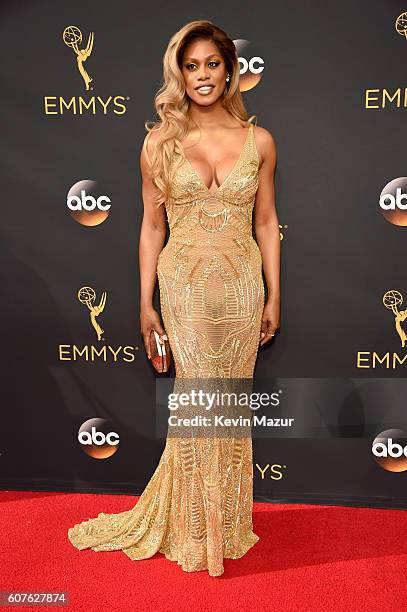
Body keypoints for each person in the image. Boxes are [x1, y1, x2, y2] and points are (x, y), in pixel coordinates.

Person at [67, 19, 280, 577]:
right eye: (192, 66)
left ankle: (225, 524)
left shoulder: (260, 141)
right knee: (197, 403)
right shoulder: (160, 142)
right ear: (178, 74)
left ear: (230, 69)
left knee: (229, 407)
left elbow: (266, 221)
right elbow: (150, 229)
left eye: (213, 63)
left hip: (241, 287)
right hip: (183, 284)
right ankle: (193, 528)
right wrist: (145, 305)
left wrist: (274, 295)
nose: (203, 75)